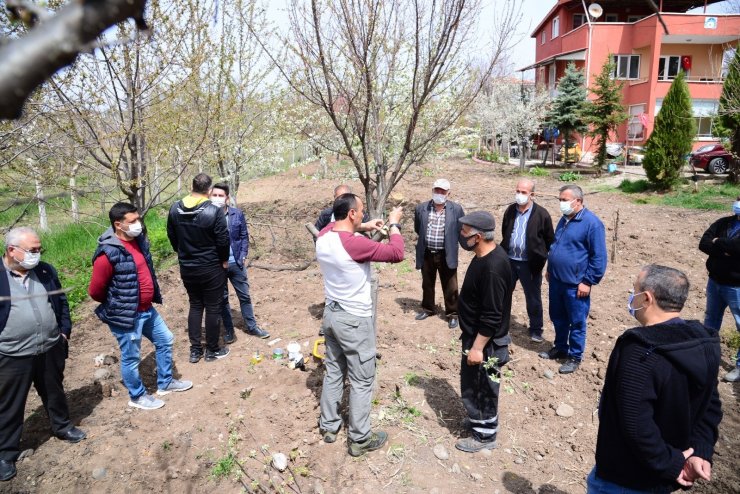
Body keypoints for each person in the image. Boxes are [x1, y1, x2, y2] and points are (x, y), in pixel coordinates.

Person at [589, 264, 722, 493]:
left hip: (626, 478)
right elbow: (711, 403)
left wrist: (672, 463)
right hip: (661, 478)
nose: (632, 296)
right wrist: (701, 449)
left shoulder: (639, 351)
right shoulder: (701, 342)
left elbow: (635, 425)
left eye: (635, 290)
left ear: (647, 298)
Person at [316, 193, 404, 457]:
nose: (364, 214)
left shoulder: (324, 236)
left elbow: (336, 227)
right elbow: (397, 253)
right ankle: (359, 438)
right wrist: (394, 224)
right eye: (362, 211)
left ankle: (329, 426)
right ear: (351, 213)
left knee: (333, 370)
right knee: (362, 379)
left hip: (331, 314)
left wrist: (366, 226)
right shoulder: (354, 245)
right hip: (354, 319)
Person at [1, 227, 86, 482]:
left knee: (53, 390)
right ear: (11, 250)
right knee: (10, 403)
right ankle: (6, 453)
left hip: (49, 346)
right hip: (12, 354)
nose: (37, 255)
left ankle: (62, 427)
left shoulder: (45, 270)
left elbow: (60, 303)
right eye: (32, 250)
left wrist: (64, 332)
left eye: (39, 250)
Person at [89, 203, 193, 411]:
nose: (138, 224)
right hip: (126, 314)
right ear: (118, 225)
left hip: (146, 309)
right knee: (131, 357)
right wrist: (120, 302)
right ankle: (137, 396)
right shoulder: (108, 253)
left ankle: (165, 382)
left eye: (138, 219)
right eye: (133, 221)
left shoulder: (138, 241)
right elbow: (95, 291)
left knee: (165, 339)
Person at [455, 211, 514, 453]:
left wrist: (478, 347)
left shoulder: (493, 268)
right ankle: (478, 419)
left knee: (483, 386)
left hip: (486, 342)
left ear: (478, 236)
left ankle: (485, 436)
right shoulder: (485, 255)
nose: (461, 234)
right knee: (473, 384)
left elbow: (492, 315)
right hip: (476, 335)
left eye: (465, 231)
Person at [540, 184, 606, 374]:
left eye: (564, 200)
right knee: (558, 317)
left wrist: (588, 281)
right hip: (557, 280)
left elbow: (599, 257)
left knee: (577, 322)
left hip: (576, 284)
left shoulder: (592, 224)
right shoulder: (564, 219)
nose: (561, 203)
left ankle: (575, 356)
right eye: (560, 199)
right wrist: (550, 268)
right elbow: (556, 246)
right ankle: (561, 347)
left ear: (578, 201)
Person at [167, 173, 231, 363]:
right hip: (211, 266)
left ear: (191, 187)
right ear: (209, 190)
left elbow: (172, 236)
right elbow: (222, 240)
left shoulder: (174, 209)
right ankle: (212, 350)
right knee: (213, 307)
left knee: (195, 305)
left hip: (187, 267)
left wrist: (184, 253)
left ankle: (195, 350)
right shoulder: (214, 210)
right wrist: (224, 259)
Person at [209, 183, 269, 343]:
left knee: (244, 296)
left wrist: (242, 255)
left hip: (236, 262)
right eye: (214, 195)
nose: (217, 198)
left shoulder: (237, 214)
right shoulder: (206, 216)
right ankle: (229, 331)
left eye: (220, 196)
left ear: (227, 198)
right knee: (222, 299)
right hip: (217, 266)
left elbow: (243, 236)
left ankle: (252, 326)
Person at [500, 178, 554, 342]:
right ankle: (501, 326)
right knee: (503, 294)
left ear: (532, 194)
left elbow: (549, 240)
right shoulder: (510, 210)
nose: (519, 195)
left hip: (530, 264)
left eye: (523, 192)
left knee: (533, 297)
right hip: (509, 261)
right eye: (518, 191)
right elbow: (505, 231)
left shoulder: (542, 214)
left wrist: (541, 258)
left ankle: (536, 329)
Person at [413, 178, 465, 329]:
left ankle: (453, 314)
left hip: (446, 253)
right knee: (427, 283)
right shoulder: (421, 208)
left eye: (442, 191)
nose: (439, 193)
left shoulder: (456, 209)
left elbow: (460, 229)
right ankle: (428, 309)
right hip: (427, 252)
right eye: (437, 190)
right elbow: (419, 228)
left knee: (450, 284)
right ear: (432, 190)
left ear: (448, 193)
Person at [699, 196, 740, 382]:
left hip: (736, 287)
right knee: (711, 320)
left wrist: (718, 243)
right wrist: (726, 251)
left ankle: (739, 366)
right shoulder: (724, 222)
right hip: (714, 282)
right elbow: (704, 243)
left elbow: (737, 247)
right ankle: (706, 358)